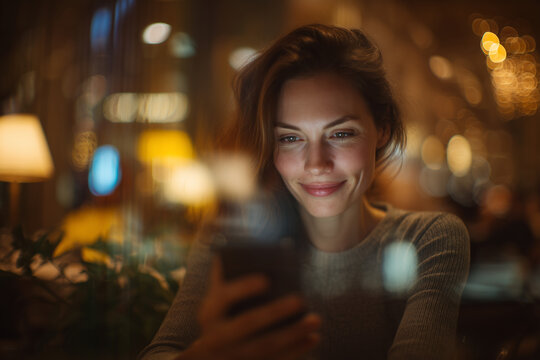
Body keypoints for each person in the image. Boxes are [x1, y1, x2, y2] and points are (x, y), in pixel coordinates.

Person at [139, 24, 470, 360]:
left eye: (340, 134)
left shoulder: (428, 240)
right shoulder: (233, 242)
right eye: (290, 138)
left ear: (381, 128)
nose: (316, 164)